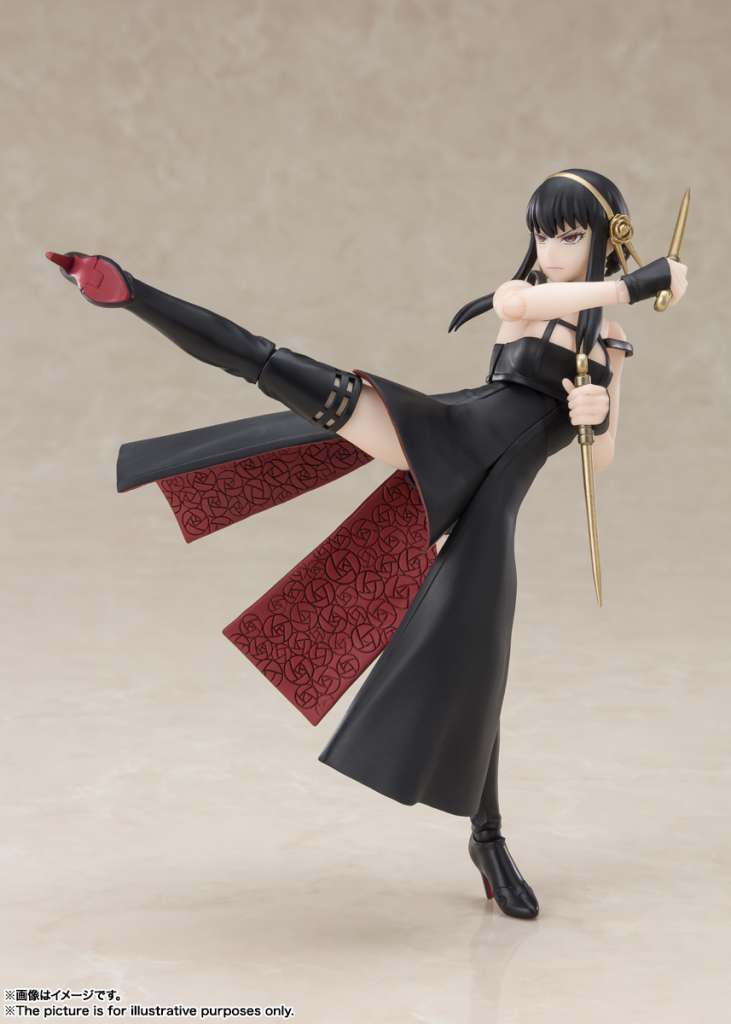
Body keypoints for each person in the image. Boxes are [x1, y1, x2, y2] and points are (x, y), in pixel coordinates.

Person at [46, 167, 688, 920]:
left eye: (568, 235)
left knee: (480, 667)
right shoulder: (528, 301)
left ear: (603, 237)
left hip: (492, 506)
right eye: (541, 234)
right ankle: (131, 293)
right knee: (274, 367)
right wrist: (636, 283)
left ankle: (487, 839)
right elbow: (518, 302)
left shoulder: (608, 340)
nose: (549, 250)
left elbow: (599, 460)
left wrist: (594, 414)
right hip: (445, 436)